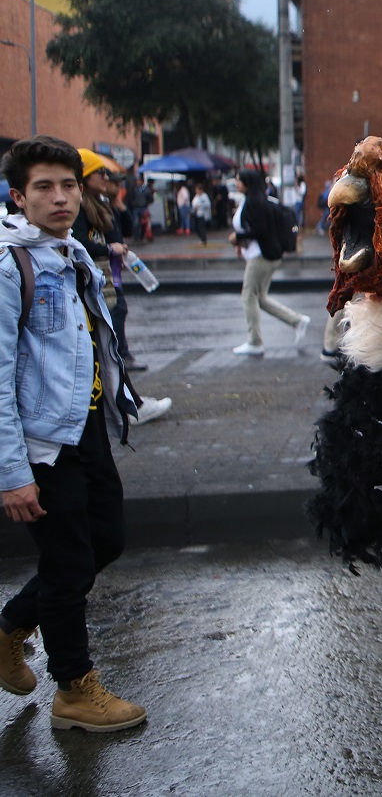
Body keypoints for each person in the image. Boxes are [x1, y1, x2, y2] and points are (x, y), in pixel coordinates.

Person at [0, 135, 147, 732]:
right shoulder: (12, 267)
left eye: (68, 186)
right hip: (41, 446)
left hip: (86, 430)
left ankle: (11, 626)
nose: (61, 198)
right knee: (66, 565)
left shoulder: (72, 253)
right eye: (44, 187)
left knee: (104, 540)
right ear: (19, 196)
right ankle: (74, 692)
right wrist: (11, 474)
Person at [73, 151, 171, 424]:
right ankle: (131, 406)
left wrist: (118, 205)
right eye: (101, 174)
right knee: (108, 349)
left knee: (108, 347)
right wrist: (108, 248)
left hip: (109, 282)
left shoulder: (99, 205)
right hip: (94, 286)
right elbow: (80, 243)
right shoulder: (77, 208)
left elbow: (120, 233)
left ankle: (127, 405)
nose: (106, 179)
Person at [229, 169, 309, 356]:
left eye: (239, 181)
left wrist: (237, 237)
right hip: (261, 254)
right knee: (260, 298)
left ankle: (255, 341)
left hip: (261, 256)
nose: (236, 183)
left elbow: (260, 230)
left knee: (248, 295)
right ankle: (297, 321)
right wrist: (241, 242)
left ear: (247, 183)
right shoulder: (255, 200)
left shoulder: (254, 203)